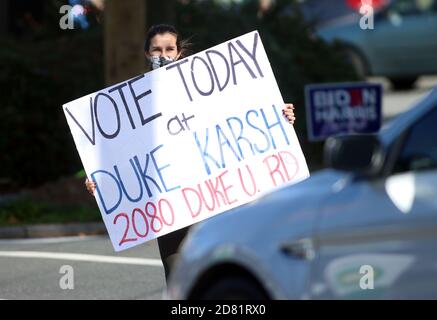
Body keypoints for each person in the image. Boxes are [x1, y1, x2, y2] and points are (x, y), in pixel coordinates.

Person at [85, 24, 296, 282]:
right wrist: (100, 179)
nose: (162, 55)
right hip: (170, 207)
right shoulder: (130, 102)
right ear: (146, 53)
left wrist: (277, 116)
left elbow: (238, 112)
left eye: (169, 49)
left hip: (214, 201)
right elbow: (118, 154)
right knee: (177, 278)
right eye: (156, 50)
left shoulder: (205, 84)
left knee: (216, 275)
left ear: (179, 51)